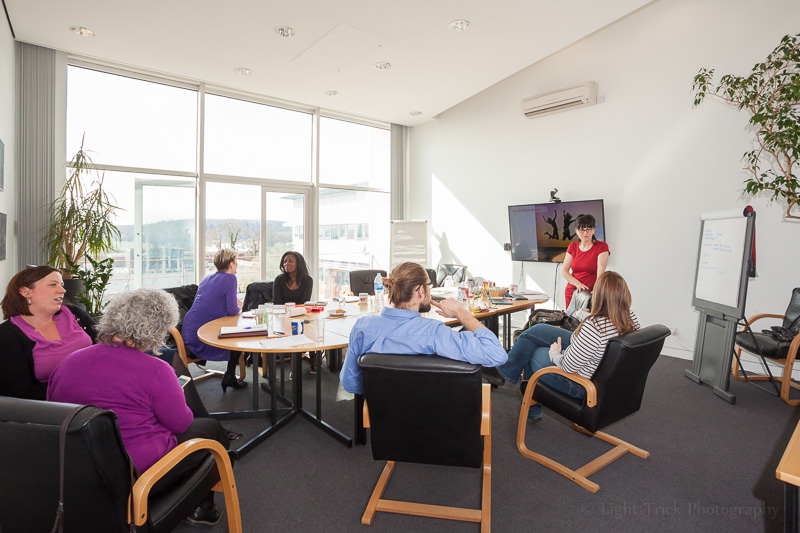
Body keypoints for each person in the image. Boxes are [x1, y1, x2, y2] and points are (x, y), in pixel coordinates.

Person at [47, 288, 230, 526]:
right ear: (157, 330)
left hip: (76, 472)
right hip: (135, 475)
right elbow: (181, 423)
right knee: (211, 430)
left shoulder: (67, 363)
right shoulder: (157, 370)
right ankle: (202, 506)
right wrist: (175, 392)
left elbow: (55, 414)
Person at [487, 271, 639, 420]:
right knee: (535, 331)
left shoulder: (593, 328)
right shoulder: (629, 319)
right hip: (596, 369)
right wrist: (581, 314)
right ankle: (506, 371)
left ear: (599, 297)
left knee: (532, 350)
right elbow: (602, 324)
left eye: (595, 290)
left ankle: (523, 397)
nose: (592, 292)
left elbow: (568, 366)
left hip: (579, 384)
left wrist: (555, 353)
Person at [339, 262, 508, 395]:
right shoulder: (434, 332)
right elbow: (497, 354)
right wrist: (461, 313)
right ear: (420, 291)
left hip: (383, 419)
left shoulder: (362, 327)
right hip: (433, 416)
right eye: (429, 285)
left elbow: (350, 384)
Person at [0, 266, 95, 399]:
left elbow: (107, 343)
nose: (62, 290)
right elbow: (19, 394)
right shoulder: (7, 335)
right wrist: (79, 384)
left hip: (98, 393)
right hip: (52, 410)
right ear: (26, 292)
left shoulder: (74, 313)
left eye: (61, 285)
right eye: (53, 284)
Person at [182, 249, 246, 392]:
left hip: (190, 329)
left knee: (235, 334)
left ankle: (230, 376)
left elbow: (214, 302)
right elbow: (232, 310)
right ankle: (230, 376)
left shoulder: (207, 278)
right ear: (231, 264)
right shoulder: (230, 279)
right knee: (239, 336)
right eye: (236, 262)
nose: (237, 265)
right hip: (201, 334)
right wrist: (240, 307)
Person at [561, 214, 609, 317]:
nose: (585, 233)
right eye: (582, 230)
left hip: (591, 292)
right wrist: (577, 283)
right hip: (572, 290)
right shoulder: (572, 246)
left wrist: (597, 290)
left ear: (594, 230)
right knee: (570, 322)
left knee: (587, 323)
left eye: (588, 229)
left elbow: (601, 270)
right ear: (577, 231)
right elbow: (564, 271)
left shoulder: (602, 246)